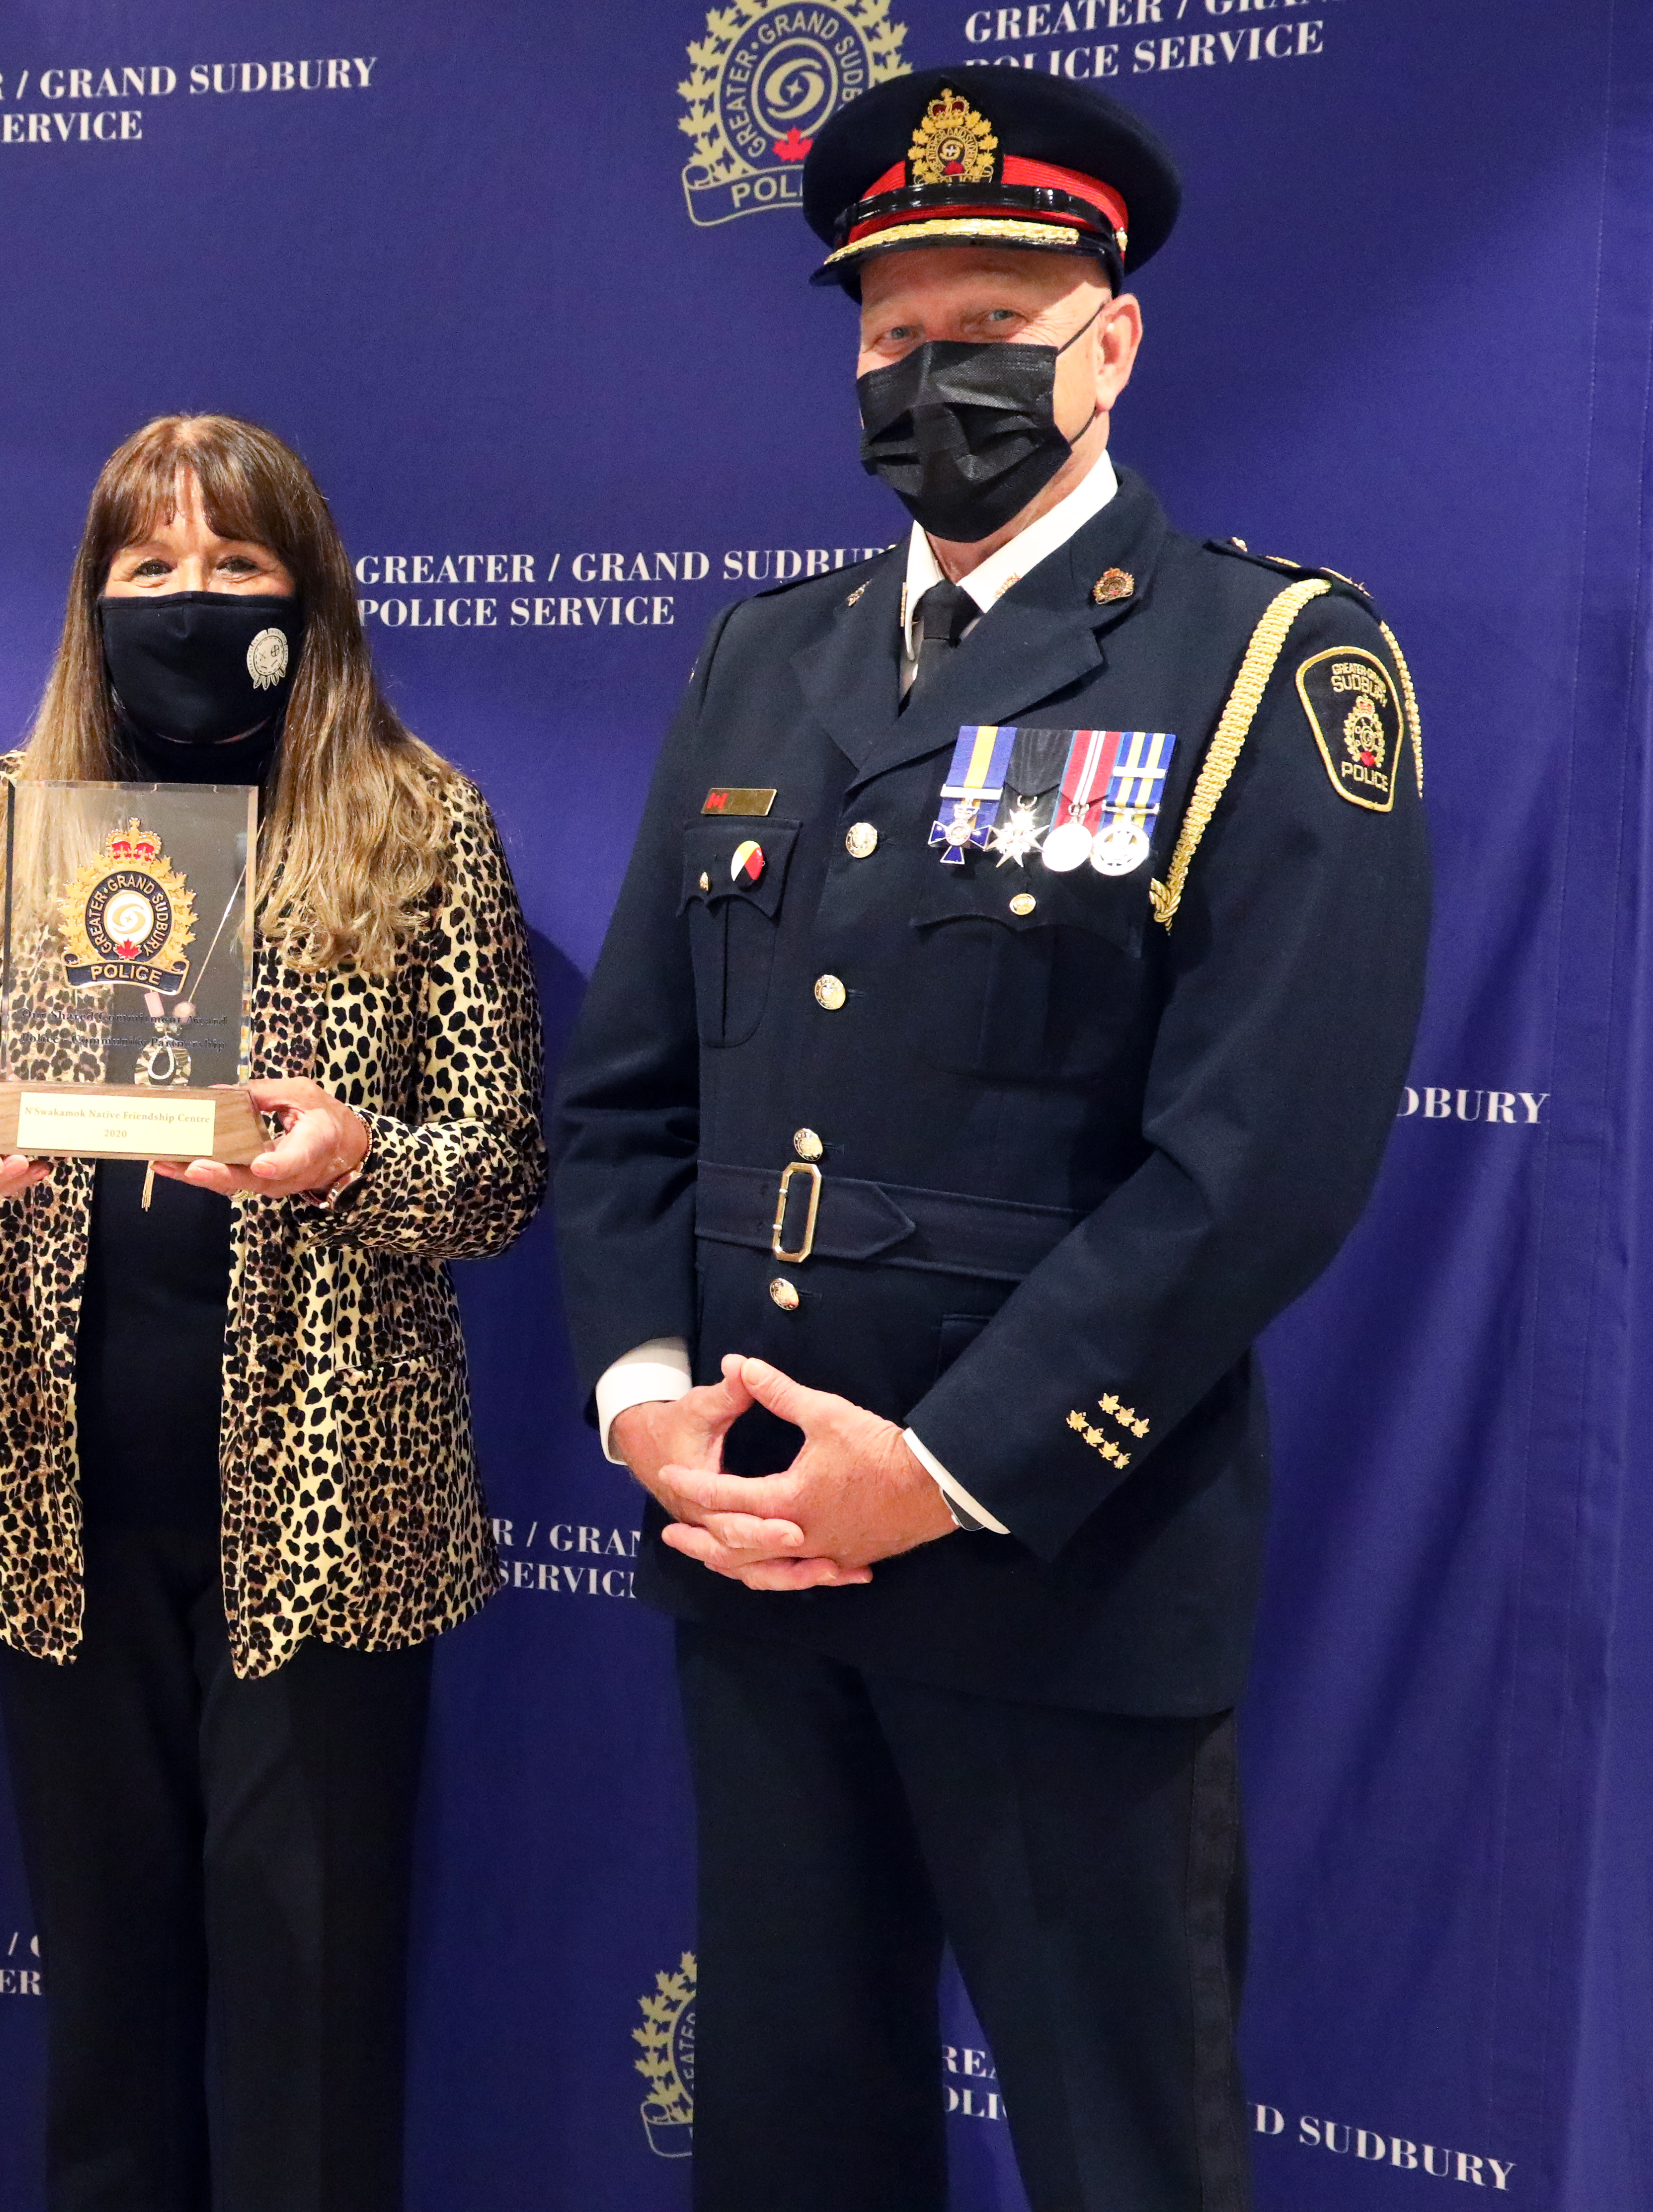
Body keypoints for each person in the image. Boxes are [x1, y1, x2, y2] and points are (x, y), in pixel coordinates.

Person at [549, 67, 1432, 2212]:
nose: (936, 373)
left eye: (991, 325)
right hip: (759, 1549)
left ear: (1109, 340)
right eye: (892, 334)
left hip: (1059, 1566)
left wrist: (939, 1473)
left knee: (1124, 2156)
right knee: (792, 2143)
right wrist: (650, 1398)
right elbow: (636, 1092)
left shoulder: (1266, 663)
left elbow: (1259, 1159)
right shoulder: (763, 666)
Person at [0, 415, 544, 2212]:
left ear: (304, 592)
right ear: (93, 598)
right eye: (149, 567)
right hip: (51, 1510)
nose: (190, 598)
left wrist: (351, 1160)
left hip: (326, 1528)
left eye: (234, 565)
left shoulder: (418, 821)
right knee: (108, 2023)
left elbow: (499, 1172)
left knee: (308, 2028)